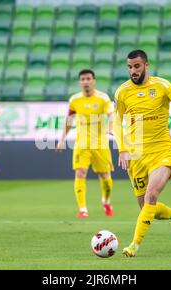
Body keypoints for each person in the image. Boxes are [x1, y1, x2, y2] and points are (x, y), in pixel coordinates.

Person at [113, 50, 171, 257]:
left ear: (146, 66)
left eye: (137, 66)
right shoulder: (122, 92)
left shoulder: (162, 85)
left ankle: (134, 245)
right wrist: (122, 149)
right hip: (136, 155)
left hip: (162, 150)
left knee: (151, 196)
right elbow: (116, 122)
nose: (133, 71)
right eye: (130, 67)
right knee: (146, 207)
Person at [56, 69, 115, 218]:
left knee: (105, 176)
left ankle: (106, 201)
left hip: (100, 144)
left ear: (94, 81)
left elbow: (111, 115)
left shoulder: (103, 98)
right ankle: (82, 209)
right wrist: (62, 139)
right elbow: (69, 120)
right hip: (81, 144)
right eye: (82, 79)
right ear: (79, 82)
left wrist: (111, 127)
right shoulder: (75, 100)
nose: (85, 82)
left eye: (88, 79)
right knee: (80, 173)